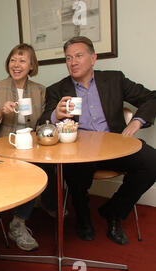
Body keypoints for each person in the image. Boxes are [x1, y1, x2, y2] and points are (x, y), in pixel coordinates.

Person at [39, 36, 156, 245]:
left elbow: (152, 97)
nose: (72, 62)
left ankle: (113, 211)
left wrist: (137, 122)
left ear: (93, 58)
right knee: (73, 171)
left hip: (115, 146)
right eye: (68, 58)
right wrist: (55, 115)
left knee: (152, 161)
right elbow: (42, 125)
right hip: (79, 151)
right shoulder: (57, 89)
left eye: (78, 56)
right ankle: (83, 219)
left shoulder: (114, 79)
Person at [0, 43, 57, 251]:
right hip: (2, 145)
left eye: (22, 61)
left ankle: (41, 205)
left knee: (47, 166)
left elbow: (43, 121)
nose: (16, 65)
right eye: (13, 60)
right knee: (26, 171)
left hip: (32, 145)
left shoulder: (40, 90)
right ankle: (19, 223)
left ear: (31, 66)